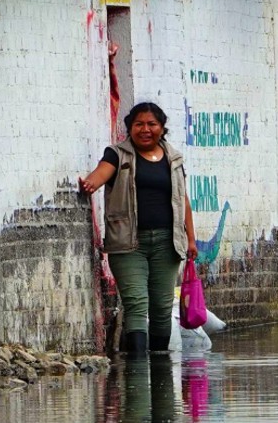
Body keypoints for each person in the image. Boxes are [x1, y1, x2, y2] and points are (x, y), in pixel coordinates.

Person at [79, 102, 197, 357]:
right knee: (136, 304)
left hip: (167, 243)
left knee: (162, 308)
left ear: (162, 128)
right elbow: (100, 174)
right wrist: (89, 184)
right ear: (130, 128)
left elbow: (183, 199)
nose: (145, 129)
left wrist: (191, 239)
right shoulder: (117, 155)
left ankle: (160, 370)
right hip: (128, 244)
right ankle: (137, 373)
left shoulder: (173, 159)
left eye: (151, 124)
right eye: (139, 124)